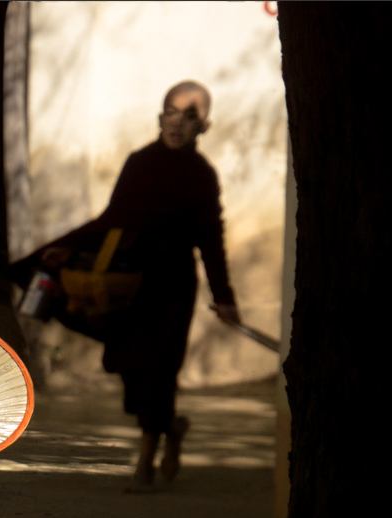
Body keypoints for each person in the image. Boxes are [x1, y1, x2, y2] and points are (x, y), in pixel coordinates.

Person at [33, 80, 239, 490]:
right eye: (170, 112)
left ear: (205, 126)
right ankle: (171, 428)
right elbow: (113, 219)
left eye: (190, 116)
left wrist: (224, 297)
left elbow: (211, 240)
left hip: (175, 286)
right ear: (160, 117)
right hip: (130, 284)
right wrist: (68, 250)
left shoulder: (202, 176)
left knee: (161, 372)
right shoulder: (140, 163)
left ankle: (145, 462)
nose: (177, 122)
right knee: (134, 366)